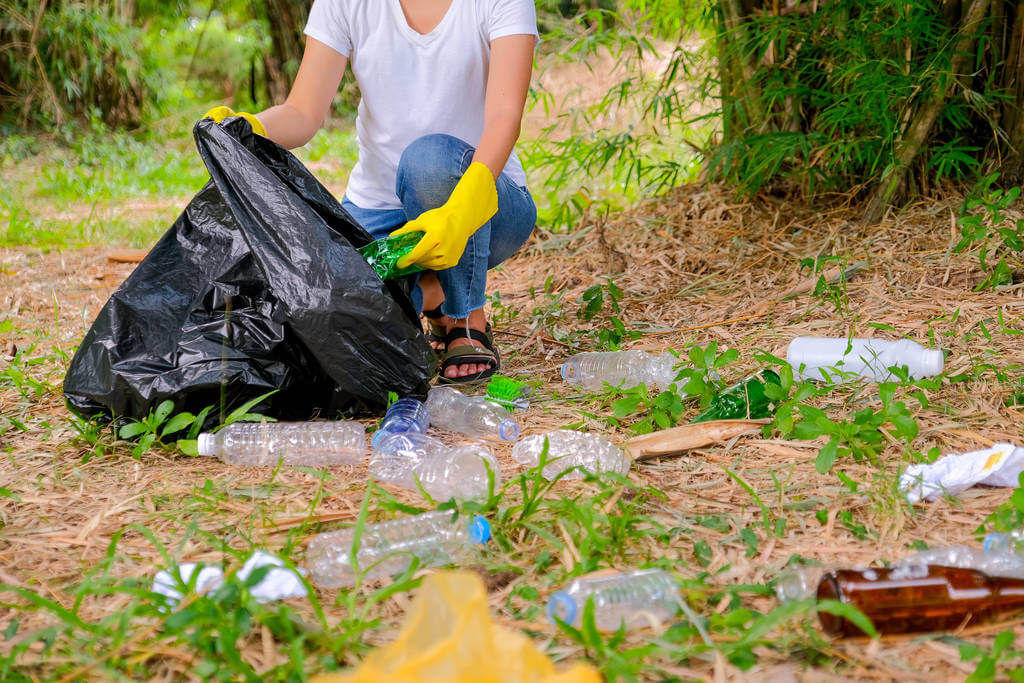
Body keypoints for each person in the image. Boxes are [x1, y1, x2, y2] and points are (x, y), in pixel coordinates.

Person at [203, 0, 538, 384]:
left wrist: (464, 206)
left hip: (486, 205)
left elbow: (504, 116)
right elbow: (303, 113)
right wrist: (248, 127)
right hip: (379, 209)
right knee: (334, 318)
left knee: (427, 162)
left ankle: (466, 317)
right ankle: (431, 294)